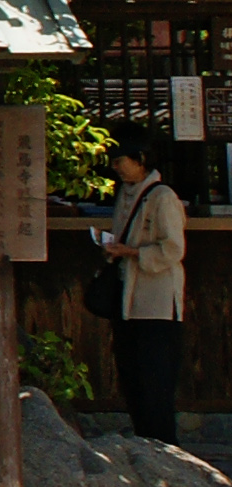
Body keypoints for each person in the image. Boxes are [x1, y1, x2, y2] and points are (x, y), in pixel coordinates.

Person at [95, 132, 192, 441]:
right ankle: (143, 441)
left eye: (120, 161)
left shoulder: (163, 197)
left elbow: (174, 249)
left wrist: (132, 252)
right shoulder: (124, 194)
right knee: (133, 377)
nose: (116, 168)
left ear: (140, 160)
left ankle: (163, 446)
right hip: (128, 298)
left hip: (157, 301)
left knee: (156, 381)